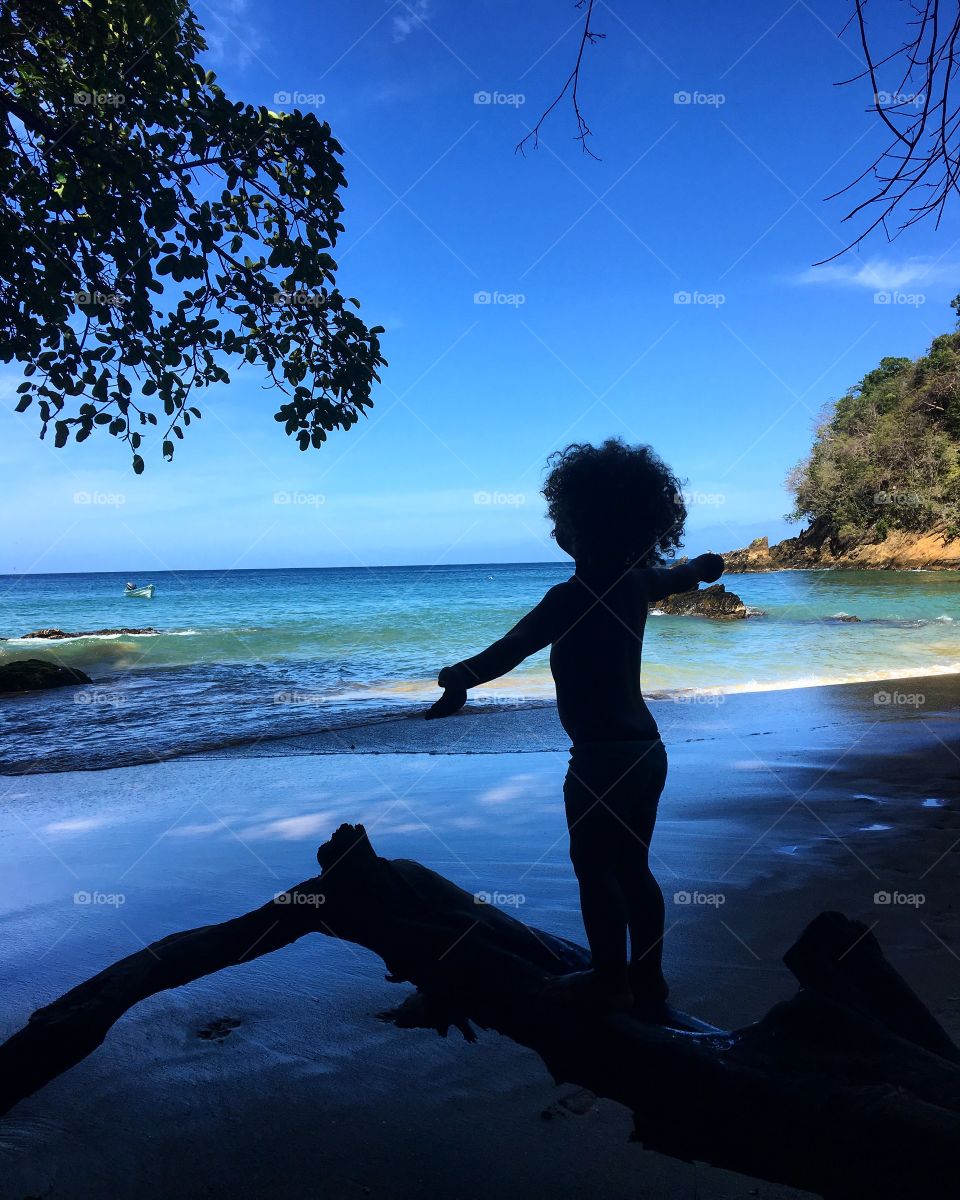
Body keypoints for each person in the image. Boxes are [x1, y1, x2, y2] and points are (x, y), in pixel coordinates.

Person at [426, 438, 724, 1010]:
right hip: (646, 750)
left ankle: (609, 976)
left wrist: (456, 676)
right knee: (633, 867)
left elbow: (508, 651)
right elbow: (681, 574)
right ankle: (649, 977)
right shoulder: (639, 583)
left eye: (564, 524)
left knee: (593, 869)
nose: (558, 532)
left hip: (599, 758)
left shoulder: (568, 596)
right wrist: (705, 567)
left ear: (578, 531)